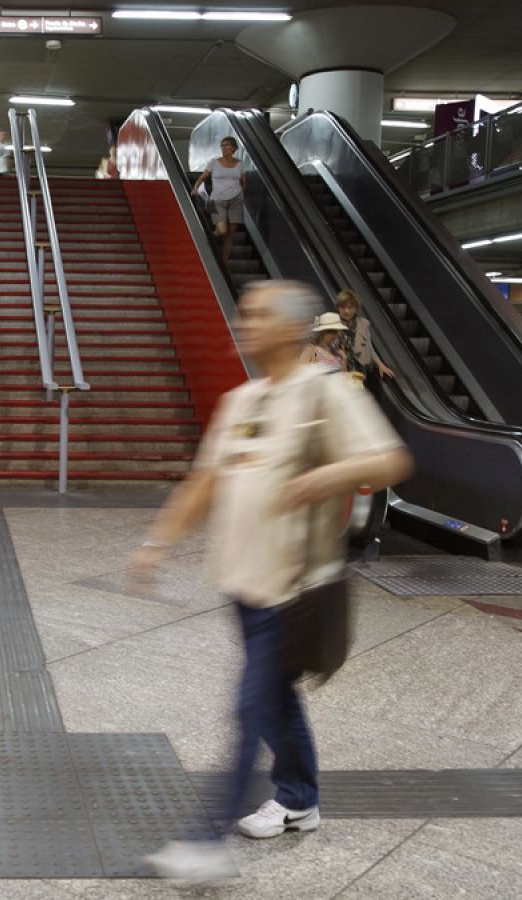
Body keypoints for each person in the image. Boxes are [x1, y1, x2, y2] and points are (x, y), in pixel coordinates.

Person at [132, 280, 412, 886]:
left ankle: (205, 842)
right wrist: (157, 543)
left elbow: (391, 459)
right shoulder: (243, 399)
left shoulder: (325, 393)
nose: (246, 325)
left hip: (294, 587)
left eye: (258, 315)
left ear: (291, 328)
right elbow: (205, 481)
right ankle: (300, 798)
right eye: (244, 314)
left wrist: (325, 477)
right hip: (244, 582)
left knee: (251, 705)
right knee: (276, 699)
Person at [193, 136, 246, 265]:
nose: (224, 148)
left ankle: (223, 263)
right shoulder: (214, 162)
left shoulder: (240, 164)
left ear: (234, 148)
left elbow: (243, 182)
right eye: (222, 146)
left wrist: (240, 192)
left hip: (235, 200)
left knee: (230, 234)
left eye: (227, 145)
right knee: (222, 230)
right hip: (215, 200)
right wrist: (195, 188)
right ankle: (207, 240)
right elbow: (203, 177)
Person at [333, 289, 394, 381]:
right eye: (343, 307)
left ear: (356, 308)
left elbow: (369, 347)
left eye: (350, 307)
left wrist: (380, 364)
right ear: (338, 307)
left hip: (359, 371)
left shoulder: (363, 324)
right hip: (339, 371)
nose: (346, 311)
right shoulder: (332, 324)